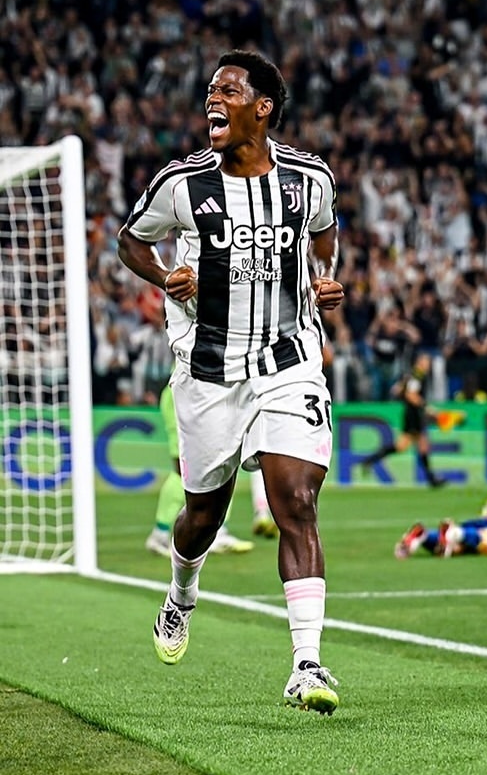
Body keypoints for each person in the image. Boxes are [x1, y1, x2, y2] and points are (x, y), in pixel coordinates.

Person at [117, 50, 345, 714]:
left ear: (262, 107)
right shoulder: (181, 184)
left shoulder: (309, 178)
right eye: (210, 90)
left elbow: (326, 234)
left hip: (288, 359)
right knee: (203, 517)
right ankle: (181, 593)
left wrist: (324, 278)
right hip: (209, 371)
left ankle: (307, 664)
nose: (212, 99)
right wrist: (164, 277)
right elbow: (131, 241)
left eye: (228, 90)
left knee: (295, 499)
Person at [145, 374, 259, 556]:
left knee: (223, 462)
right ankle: (161, 533)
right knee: (184, 470)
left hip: (209, 389)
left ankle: (216, 531)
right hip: (189, 389)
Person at [355, 351, 461, 486]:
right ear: (419, 362)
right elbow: (411, 395)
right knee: (417, 444)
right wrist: (425, 406)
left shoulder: (410, 375)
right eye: (426, 362)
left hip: (411, 413)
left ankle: (370, 460)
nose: (428, 365)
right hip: (414, 414)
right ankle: (431, 478)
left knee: (406, 445)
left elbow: (396, 390)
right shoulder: (417, 376)